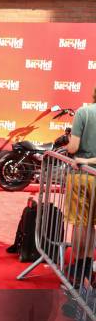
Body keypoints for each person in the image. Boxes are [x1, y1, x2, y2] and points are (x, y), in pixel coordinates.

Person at [65, 88, 96, 281]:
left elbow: (73, 148)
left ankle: (79, 268)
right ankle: (88, 268)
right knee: (91, 226)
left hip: (81, 176)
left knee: (80, 225)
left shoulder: (83, 113)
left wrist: (69, 142)